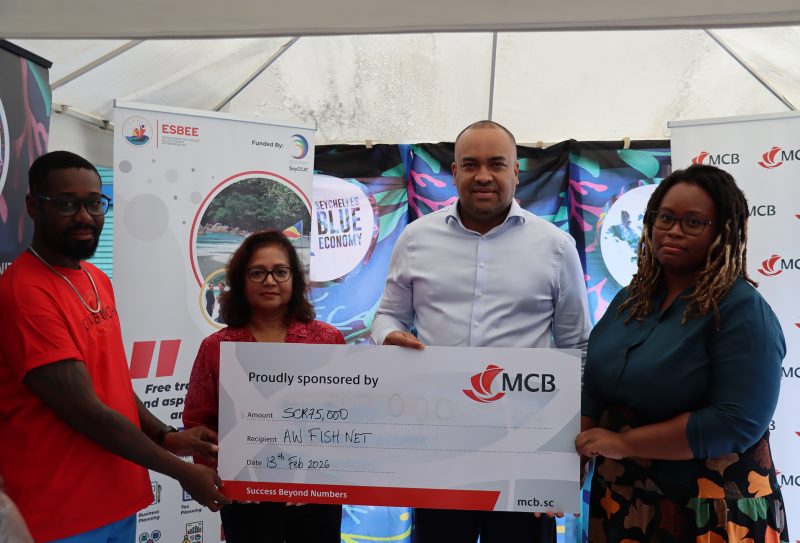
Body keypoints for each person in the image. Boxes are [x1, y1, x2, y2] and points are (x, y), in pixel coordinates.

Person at [371, 120, 592, 543]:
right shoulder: (415, 239)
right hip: (437, 442)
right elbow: (387, 316)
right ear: (454, 172)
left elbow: (577, 347)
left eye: (497, 164)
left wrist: (567, 444)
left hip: (526, 446)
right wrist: (388, 337)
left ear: (516, 172)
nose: (483, 176)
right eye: (471, 165)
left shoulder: (556, 246)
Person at [0, 151, 231, 543]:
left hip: (118, 500)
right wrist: (180, 471)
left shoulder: (95, 278)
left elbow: (114, 387)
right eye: (67, 204)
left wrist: (165, 436)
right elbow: (87, 412)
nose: (85, 216)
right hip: (57, 514)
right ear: (33, 207)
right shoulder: (24, 292)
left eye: (94, 203)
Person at [576, 164, 788, 542]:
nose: (674, 230)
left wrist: (623, 444)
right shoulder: (629, 300)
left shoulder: (741, 309)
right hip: (624, 501)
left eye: (693, 222)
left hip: (710, 510)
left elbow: (736, 422)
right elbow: (594, 386)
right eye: (665, 218)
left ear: (723, 231)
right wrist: (570, 458)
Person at [184, 230, 345, 543]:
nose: (270, 281)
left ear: (294, 279)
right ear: (241, 280)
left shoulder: (327, 339)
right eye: (257, 272)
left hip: (315, 494)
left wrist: (321, 476)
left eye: (280, 272)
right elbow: (198, 422)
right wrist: (225, 478)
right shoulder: (216, 347)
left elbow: (346, 415)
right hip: (246, 499)